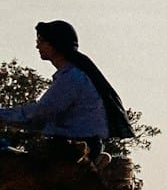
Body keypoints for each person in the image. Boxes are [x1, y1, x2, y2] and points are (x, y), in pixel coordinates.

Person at [0, 20, 135, 158]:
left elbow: (41, 114)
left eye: (41, 41)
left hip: (73, 152)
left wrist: (2, 116)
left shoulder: (72, 77)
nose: (37, 45)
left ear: (54, 44)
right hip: (74, 147)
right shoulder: (73, 75)